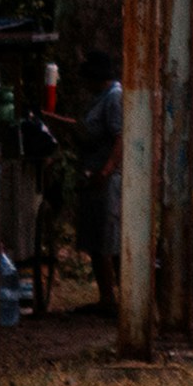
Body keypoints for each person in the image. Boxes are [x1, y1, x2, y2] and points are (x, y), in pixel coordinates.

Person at [71, 50, 122, 317]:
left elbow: (120, 136)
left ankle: (113, 298)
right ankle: (106, 297)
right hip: (93, 173)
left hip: (106, 177)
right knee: (94, 239)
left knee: (107, 239)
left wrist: (107, 170)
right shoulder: (99, 99)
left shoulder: (114, 98)